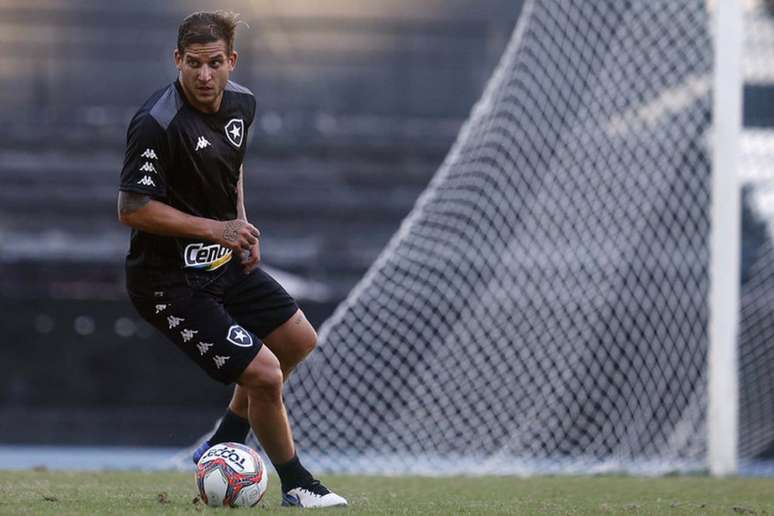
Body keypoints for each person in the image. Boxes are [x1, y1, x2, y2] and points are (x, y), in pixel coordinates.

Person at [116, 10, 346, 508]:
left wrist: (241, 226)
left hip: (224, 263)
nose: (204, 75)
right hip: (168, 282)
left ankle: (220, 444)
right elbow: (132, 208)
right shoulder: (156, 122)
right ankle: (298, 485)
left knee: (298, 340)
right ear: (177, 59)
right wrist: (216, 229)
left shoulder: (242, 103)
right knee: (263, 374)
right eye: (193, 63)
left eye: (215, 63)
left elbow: (232, 168)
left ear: (232, 61)